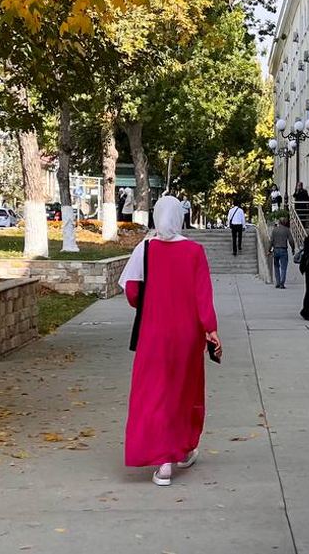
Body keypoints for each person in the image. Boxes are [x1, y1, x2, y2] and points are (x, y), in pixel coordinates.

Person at [119, 195, 220, 487]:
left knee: (153, 393)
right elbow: (203, 297)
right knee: (184, 392)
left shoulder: (145, 249)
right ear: (179, 217)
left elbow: (133, 294)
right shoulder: (194, 251)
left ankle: (163, 463)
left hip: (153, 334)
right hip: (187, 336)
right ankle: (184, 448)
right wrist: (210, 329)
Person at [269, 216, 294, 288]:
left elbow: (271, 241)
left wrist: (269, 249)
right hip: (283, 250)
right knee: (283, 267)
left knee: (276, 267)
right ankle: (282, 283)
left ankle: (278, 282)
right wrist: (293, 249)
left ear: (279, 222)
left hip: (276, 250)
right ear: (285, 223)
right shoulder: (287, 230)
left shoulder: (274, 230)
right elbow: (291, 240)